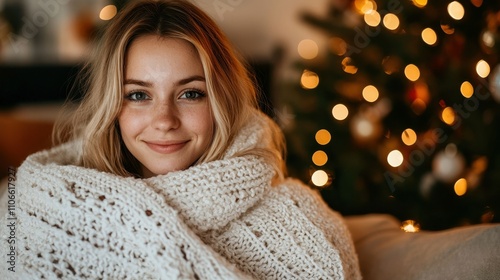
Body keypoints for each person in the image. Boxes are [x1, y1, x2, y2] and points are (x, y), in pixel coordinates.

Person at [1, 0, 361, 279]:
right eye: (138, 95)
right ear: (112, 107)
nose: (164, 121)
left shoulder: (304, 223)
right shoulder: (34, 210)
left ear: (222, 101)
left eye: (190, 94)